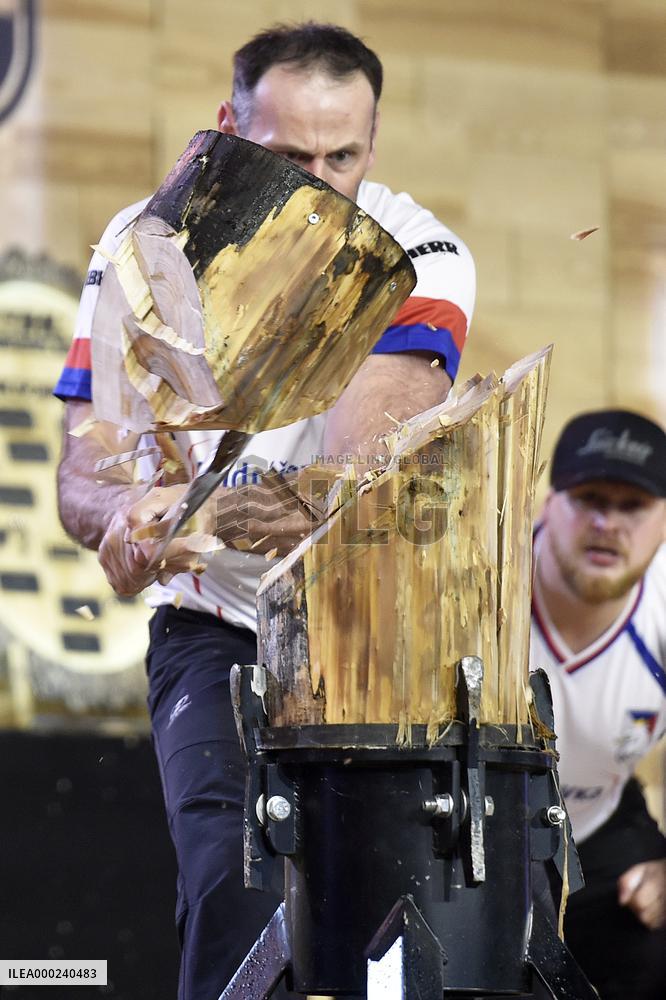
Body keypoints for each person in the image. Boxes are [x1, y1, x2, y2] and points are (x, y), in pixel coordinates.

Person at [54, 22, 476, 1000]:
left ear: (373, 146)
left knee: (394, 934)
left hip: (380, 638)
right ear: (227, 127)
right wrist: (123, 516)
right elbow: (87, 473)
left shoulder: (420, 251)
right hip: (220, 628)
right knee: (236, 891)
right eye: (289, 156)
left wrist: (186, 525)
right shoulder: (140, 244)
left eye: (344, 156)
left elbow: (352, 480)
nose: (320, 183)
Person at [530, 408, 666, 999]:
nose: (608, 522)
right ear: (547, 504)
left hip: (596, 822)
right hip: (467, 832)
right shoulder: (480, 580)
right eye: (588, 497)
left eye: (632, 505)